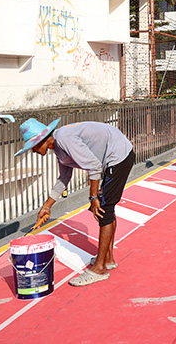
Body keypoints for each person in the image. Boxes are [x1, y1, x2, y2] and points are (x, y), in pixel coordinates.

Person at [15, 118, 135, 287]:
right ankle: (107, 259)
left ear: (42, 139)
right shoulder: (58, 147)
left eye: (33, 146)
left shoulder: (64, 138)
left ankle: (99, 269)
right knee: (106, 208)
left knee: (103, 210)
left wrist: (93, 198)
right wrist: (46, 206)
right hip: (113, 157)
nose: (33, 151)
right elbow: (64, 177)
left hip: (118, 156)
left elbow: (93, 165)